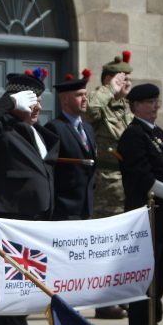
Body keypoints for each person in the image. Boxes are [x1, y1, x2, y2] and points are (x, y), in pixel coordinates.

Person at [0, 70, 58, 325]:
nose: (38, 106)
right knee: (4, 282)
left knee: (24, 281)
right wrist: (10, 102)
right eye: (32, 100)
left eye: (38, 99)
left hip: (35, 218)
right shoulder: (3, 127)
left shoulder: (36, 130)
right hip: (9, 216)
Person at [117, 83, 163, 325]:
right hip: (146, 215)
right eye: (149, 102)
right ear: (135, 106)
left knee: (162, 273)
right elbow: (142, 177)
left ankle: (153, 323)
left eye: (156, 101)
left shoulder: (157, 133)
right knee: (145, 274)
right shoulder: (134, 135)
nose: (155, 105)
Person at [87, 51, 133, 319]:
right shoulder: (100, 101)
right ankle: (104, 302)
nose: (124, 83)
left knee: (125, 248)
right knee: (106, 246)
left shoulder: (124, 107)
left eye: (127, 79)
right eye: (120, 78)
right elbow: (90, 110)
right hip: (108, 184)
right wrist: (108, 89)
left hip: (127, 183)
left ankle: (123, 295)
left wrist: (122, 96)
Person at [45, 71, 95, 221]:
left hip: (87, 208)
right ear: (65, 99)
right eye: (79, 95)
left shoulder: (88, 128)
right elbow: (50, 170)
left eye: (85, 94)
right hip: (64, 209)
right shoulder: (54, 128)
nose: (85, 99)